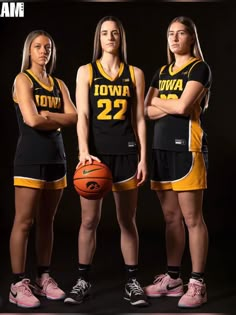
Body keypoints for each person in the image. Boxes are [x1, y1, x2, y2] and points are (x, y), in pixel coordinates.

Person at [64, 16, 148, 307]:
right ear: (98, 39)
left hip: (126, 154)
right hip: (95, 157)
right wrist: (82, 151)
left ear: (121, 38)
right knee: (89, 220)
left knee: (127, 220)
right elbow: (83, 116)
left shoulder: (134, 73)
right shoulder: (86, 71)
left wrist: (143, 158)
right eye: (104, 33)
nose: (110, 37)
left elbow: (138, 118)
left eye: (114, 33)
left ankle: (132, 281)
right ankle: (83, 279)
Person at [143, 16, 212, 309]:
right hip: (160, 149)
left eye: (180, 33)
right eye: (171, 33)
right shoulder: (162, 71)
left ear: (191, 38)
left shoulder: (199, 67)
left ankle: (197, 282)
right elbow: (146, 110)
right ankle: (173, 278)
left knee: (192, 218)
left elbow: (184, 107)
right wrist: (165, 103)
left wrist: (162, 103)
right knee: (171, 218)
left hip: (187, 148)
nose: (174, 38)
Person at [9, 30, 77, 308]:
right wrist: (54, 119)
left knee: (47, 223)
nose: (43, 51)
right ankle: (17, 283)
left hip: (56, 158)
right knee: (24, 221)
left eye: (47, 47)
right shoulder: (22, 79)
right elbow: (31, 121)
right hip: (30, 157)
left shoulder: (58, 83)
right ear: (29, 50)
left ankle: (43, 277)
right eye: (37, 46)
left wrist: (48, 115)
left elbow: (74, 117)